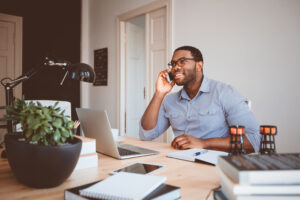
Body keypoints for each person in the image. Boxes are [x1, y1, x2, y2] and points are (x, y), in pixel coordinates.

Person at [139, 46, 260, 153]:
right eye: (173, 64)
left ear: (199, 65)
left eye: (182, 61)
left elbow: (254, 140)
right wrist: (159, 94)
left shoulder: (224, 93)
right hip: (180, 162)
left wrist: (203, 143)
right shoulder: (170, 101)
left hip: (216, 164)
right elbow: (146, 135)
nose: (175, 67)